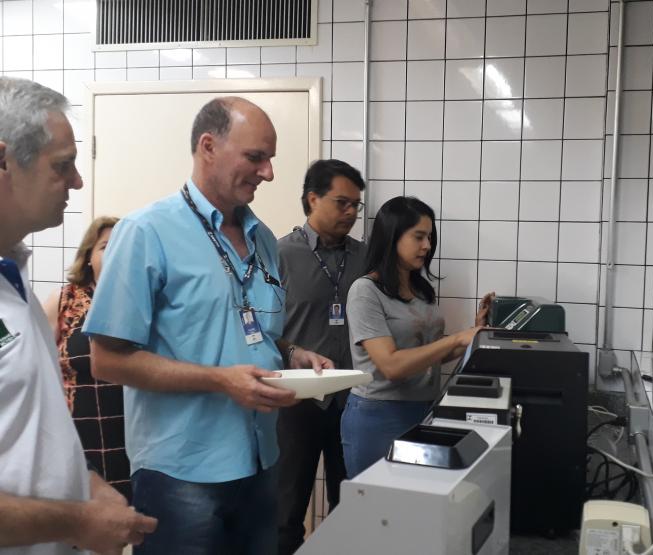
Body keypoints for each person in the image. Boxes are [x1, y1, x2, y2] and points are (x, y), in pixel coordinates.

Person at [84, 97, 331, 555]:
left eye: (270, 159)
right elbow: (108, 360)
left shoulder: (263, 239)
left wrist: (292, 353)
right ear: (208, 146)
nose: (268, 173)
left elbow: (253, 329)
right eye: (256, 157)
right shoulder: (146, 232)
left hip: (260, 460)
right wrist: (221, 381)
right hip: (182, 470)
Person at [0, 76, 157, 554]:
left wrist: (83, 481)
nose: (78, 181)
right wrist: (77, 519)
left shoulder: (14, 277)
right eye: (62, 165)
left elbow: (29, 424)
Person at [341, 196, 494, 478]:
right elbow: (391, 366)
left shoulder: (421, 290)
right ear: (392, 237)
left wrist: (474, 334)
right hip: (378, 415)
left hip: (424, 410)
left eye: (430, 237)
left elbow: (430, 355)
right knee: (379, 501)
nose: (427, 246)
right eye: (419, 237)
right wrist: (457, 339)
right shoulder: (365, 291)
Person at [275, 159, 367, 554]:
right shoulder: (280, 254)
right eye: (342, 203)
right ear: (313, 199)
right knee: (285, 511)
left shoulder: (365, 258)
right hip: (296, 402)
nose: (351, 212)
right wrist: (292, 353)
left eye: (355, 205)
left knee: (351, 508)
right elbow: (261, 328)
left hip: (353, 402)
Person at [41, 216, 132, 500]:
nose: (115, 253)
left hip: (136, 440)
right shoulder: (64, 300)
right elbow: (36, 366)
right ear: (89, 257)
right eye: (105, 247)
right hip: (78, 439)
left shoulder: (143, 301)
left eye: (123, 246)